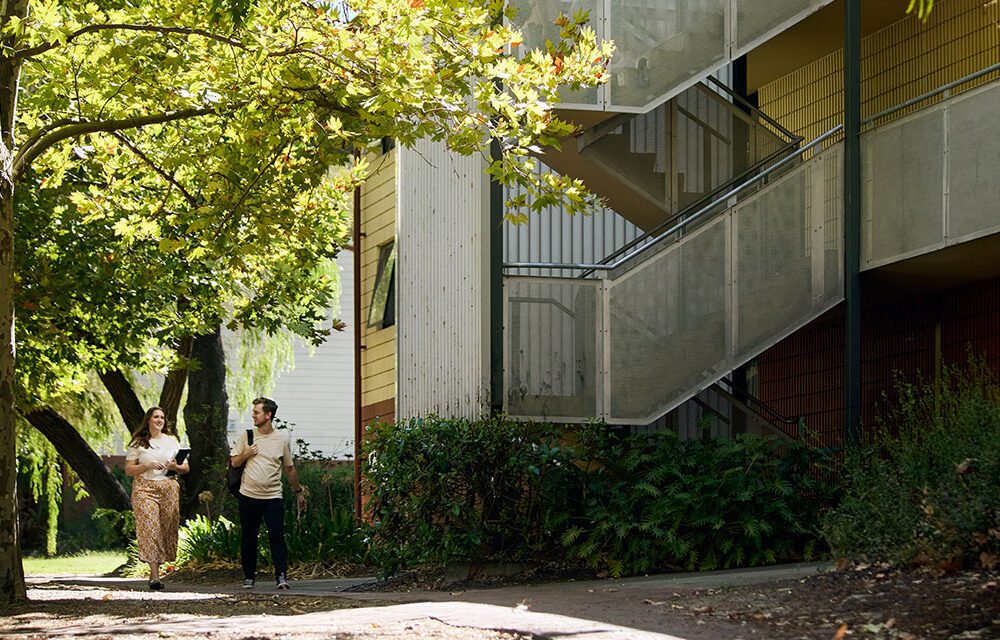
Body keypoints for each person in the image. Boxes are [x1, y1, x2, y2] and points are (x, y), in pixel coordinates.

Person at [229, 396, 306, 590]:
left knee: (277, 536)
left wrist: (299, 492)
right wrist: (247, 453)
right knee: (249, 537)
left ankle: (281, 576)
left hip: (273, 497)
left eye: (256, 412)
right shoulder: (247, 435)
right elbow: (234, 463)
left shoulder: (281, 438)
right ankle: (249, 577)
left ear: (268, 415)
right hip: (248, 495)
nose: (253, 415)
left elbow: (289, 468)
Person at [124, 406, 189, 590]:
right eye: (156, 417)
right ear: (148, 421)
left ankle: (159, 566)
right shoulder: (138, 442)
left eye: (162, 417)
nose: (160, 420)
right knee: (150, 527)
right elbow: (129, 470)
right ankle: (154, 575)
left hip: (168, 487)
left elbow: (186, 468)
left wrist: (175, 466)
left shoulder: (172, 440)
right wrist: (147, 465)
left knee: (166, 528)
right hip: (145, 488)